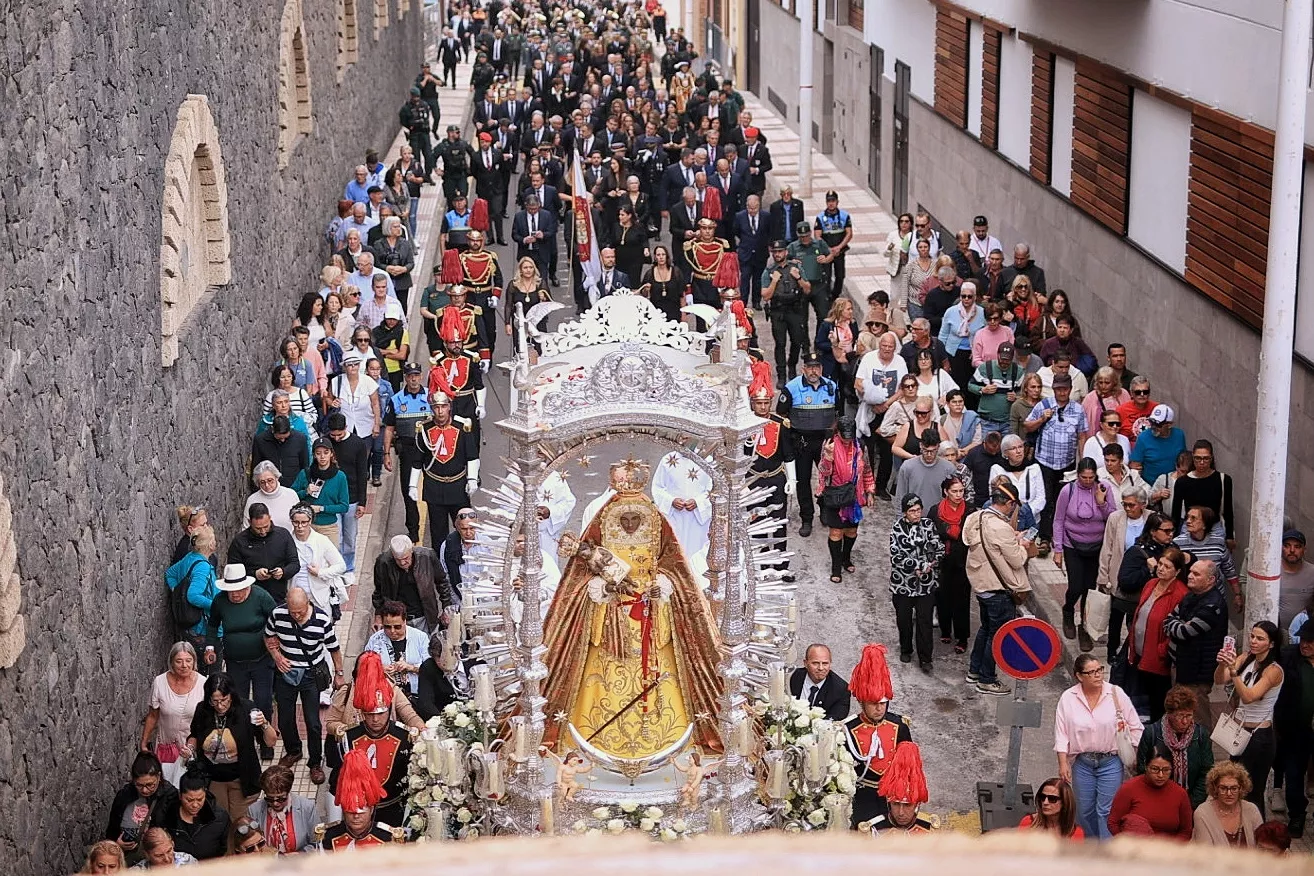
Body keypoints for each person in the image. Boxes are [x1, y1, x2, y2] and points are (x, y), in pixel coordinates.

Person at [539, 459, 724, 756]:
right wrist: (603, 585)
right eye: (624, 519)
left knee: (658, 675)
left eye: (633, 518)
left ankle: (664, 738)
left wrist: (662, 583)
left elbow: (674, 565)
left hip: (651, 612)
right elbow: (580, 574)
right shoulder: (601, 518)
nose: (628, 523)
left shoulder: (656, 519)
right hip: (611, 615)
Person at [1055, 653, 1144, 839]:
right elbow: (1061, 732)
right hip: (1083, 763)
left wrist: (1134, 753)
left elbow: (1136, 727)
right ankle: (1091, 846)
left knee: (1106, 811)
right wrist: (1063, 763)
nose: (1098, 675)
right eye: (1091, 672)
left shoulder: (1115, 693)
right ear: (1079, 676)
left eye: (1100, 670)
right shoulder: (1068, 698)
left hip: (1110, 762)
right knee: (1084, 811)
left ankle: (1105, 855)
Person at [265, 586, 345, 786]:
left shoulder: (322, 620)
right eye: (292, 612)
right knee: (284, 718)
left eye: (300, 611)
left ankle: (315, 762)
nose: (296, 615)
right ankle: (294, 750)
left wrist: (339, 673)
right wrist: (277, 657)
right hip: (286, 672)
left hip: (311, 673)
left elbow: (334, 649)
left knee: (313, 721)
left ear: (308, 603)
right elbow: (269, 636)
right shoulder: (277, 614)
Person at [964, 481, 1036, 696]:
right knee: (997, 635)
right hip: (998, 590)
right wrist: (1022, 546)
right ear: (1010, 503)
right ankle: (987, 679)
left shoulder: (976, 518)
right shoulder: (1001, 527)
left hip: (981, 585)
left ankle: (974, 671)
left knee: (985, 629)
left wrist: (1010, 540)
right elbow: (1016, 561)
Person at [331, 652, 415, 828]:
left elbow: (410, 715)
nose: (375, 720)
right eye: (370, 714)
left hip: (393, 807)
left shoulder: (404, 735)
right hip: (359, 814)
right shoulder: (349, 736)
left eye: (381, 713)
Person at [184, 671, 275, 830]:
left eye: (224, 700)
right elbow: (194, 735)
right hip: (212, 779)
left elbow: (270, 741)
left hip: (242, 779)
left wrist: (265, 724)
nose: (220, 706)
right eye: (215, 701)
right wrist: (190, 748)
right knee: (219, 823)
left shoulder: (247, 708)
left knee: (242, 825)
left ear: (231, 695)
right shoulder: (203, 710)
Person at [1215, 620, 1284, 816]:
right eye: (1252, 636)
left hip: (1259, 735)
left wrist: (1234, 671)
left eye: (1260, 638)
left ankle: (1256, 836)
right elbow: (1219, 680)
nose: (1254, 641)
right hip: (1239, 732)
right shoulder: (1246, 658)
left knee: (1252, 791)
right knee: (1234, 785)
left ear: (1271, 644)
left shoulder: (1274, 670)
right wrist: (1222, 665)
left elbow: (1249, 696)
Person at [843, 644, 913, 827]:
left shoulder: (899, 725)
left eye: (883, 703)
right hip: (863, 796)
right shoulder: (847, 729)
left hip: (892, 798)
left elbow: (907, 767)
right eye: (873, 703)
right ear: (861, 701)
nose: (879, 708)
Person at [1053, 458, 1117, 648]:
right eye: (1084, 477)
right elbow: (1058, 520)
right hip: (1072, 545)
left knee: (1090, 589)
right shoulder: (1068, 490)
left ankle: (1084, 627)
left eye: (1091, 477)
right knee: (1076, 586)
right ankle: (1067, 611)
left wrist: (1101, 502)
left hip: (1097, 546)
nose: (1088, 481)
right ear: (1078, 475)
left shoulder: (1104, 488)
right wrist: (1057, 549)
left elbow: (1113, 517)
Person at [1025, 373, 1088, 553]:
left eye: (1065, 389)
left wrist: (1082, 462)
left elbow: (1082, 435)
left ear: (1070, 390)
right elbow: (1027, 425)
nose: (1062, 392)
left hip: (1066, 463)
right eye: (1058, 389)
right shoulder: (1044, 405)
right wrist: (1042, 418)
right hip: (1044, 461)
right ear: (1053, 389)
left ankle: (1062, 537)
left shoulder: (1078, 409)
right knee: (1046, 500)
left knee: (1064, 500)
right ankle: (1044, 537)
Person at [1164, 559, 1229, 729]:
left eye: (1196, 574)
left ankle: (1202, 749)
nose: (1190, 576)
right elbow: (1168, 620)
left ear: (1211, 580)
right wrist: (1180, 624)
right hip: (1182, 665)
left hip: (1197, 672)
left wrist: (1180, 626)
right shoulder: (1191, 596)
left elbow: (1183, 632)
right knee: (1182, 712)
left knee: (1197, 716)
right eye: (1191, 571)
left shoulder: (1212, 605)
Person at [779, 352, 838, 537]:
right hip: (802, 443)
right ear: (803, 368)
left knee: (827, 479)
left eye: (817, 367)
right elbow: (782, 413)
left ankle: (825, 509)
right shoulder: (791, 388)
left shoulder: (832, 386)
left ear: (822, 369)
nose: (814, 371)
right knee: (803, 481)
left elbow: (839, 412)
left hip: (825, 443)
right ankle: (807, 518)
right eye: (810, 367)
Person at [410, 390, 479, 548]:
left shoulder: (462, 427)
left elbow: (472, 456)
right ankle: (441, 566)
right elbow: (417, 460)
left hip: (458, 486)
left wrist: (472, 479)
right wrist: (412, 485)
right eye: (436, 407)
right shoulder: (424, 429)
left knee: (466, 528)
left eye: (443, 407)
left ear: (449, 407)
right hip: (435, 487)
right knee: (438, 533)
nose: (440, 411)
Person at [1126, 547, 1189, 721]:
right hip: (1140, 651)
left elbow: (1176, 628)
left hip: (1158, 658)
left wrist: (1162, 650)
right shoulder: (1150, 584)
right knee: (1145, 691)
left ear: (1176, 571)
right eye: (1160, 564)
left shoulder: (1180, 594)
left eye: (1167, 567)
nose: (1161, 568)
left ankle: (1160, 736)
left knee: (1158, 699)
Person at [818, 415, 876, 584]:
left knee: (851, 531)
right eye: (845, 437)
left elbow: (866, 470)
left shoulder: (860, 446)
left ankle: (846, 558)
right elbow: (823, 472)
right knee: (836, 532)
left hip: (853, 495)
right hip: (835, 493)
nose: (847, 440)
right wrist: (828, 458)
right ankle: (836, 567)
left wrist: (870, 491)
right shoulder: (830, 445)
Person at [1137, 685, 1214, 809]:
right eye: (1180, 716)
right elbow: (1142, 770)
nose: (1185, 721)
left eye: (1188, 716)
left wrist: (1190, 803)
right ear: (1169, 714)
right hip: (1157, 801)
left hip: (1191, 803)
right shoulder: (1152, 733)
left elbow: (1206, 772)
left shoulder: (1200, 735)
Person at [889, 494, 942, 668]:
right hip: (903, 584)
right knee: (903, 619)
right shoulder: (897, 528)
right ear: (905, 512)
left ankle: (925, 658)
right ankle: (906, 649)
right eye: (912, 511)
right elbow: (896, 557)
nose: (916, 514)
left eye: (918, 510)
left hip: (926, 585)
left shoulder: (928, 525)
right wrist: (917, 566)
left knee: (924, 621)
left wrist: (931, 564)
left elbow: (938, 547)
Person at [140, 643, 205, 785]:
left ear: (194, 661)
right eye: (179, 661)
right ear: (171, 662)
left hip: (191, 749)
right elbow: (153, 715)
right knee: (166, 788)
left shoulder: (203, 684)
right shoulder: (160, 682)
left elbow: (206, 721)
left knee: (189, 789)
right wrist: (144, 742)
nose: (184, 665)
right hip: (165, 747)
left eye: (188, 660)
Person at [1275, 619, 1314, 836]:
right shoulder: (1289, 657)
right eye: (1303, 639)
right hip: (1295, 730)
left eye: (1310, 641)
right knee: (1294, 776)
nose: (1304, 644)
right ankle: (1297, 815)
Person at [1107, 742, 1193, 840]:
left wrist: (1171, 849)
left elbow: (1186, 831)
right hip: (1135, 849)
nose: (1160, 775)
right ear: (1146, 767)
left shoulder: (1180, 794)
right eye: (1155, 769)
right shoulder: (1129, 789)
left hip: (1169, 850)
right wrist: (1128, 844)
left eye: (1166, 770)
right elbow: (1113, 823)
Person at [104, 753, 178, 865]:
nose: (145, 790)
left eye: (150, 785)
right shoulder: (124, 795)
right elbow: (112, 828)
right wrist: (116, 843)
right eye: (139, 785)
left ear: (158, 777)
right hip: (126, 857)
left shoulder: (169, 796)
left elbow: (175, 829)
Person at [317, 749, 397, 851]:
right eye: (350, 812)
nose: (356, 816)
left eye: (361, 812)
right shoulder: (328, 837)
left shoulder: (388, 838)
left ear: (371, 809)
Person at [372, 535, 453, 635]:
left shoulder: (427, 557)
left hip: (425, 617)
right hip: (398, 620)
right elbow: (379, 592)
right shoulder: (383, 562)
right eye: (398, 559)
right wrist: (379, 616)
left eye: (405, 558)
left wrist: (447, 609)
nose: (402, 563)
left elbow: (442, 583)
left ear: (411, 551)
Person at [929, 476, 974, 654]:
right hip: (942, 561)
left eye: (961, 491)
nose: (958, 495)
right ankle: (945, 630)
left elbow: (970, 535)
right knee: (942, 596)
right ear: (946, 492)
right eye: (954, 491)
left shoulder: (970, 511)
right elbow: (932, 534)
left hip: (963, 562)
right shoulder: (935, 511)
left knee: (962, 600)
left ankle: (962, 637)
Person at [651, 448, 714, 569]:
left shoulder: (707, 461)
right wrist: (671, 501)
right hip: (674, 516)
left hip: (697, 519)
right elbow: (657, 487)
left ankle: (697, 580)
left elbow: (714, 489)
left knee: (696, 554)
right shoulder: (667, 460)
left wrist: (698, 502)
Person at [164, 526, 218, 667]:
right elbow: (193, 595)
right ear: (211, 545)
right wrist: (216, 605)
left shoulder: (189, 558)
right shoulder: (203, 566)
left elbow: (170, 573)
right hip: (202, 626)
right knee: (208, 670)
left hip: (189, 624)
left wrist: (176, 590)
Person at [1174, 506, 1242, 614]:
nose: (1188, 521)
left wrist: (1237, 594)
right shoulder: (1178, 543)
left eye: (1193, 518)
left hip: (1215, 601)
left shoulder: (1218, 542)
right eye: (1187, 517)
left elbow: (1229, 569)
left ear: (1205, 524)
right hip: (1188, 600)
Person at [761, 240, 811, 386]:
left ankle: (792, 367)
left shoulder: (795, 267)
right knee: (780, 343)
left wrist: (798, 278)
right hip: (778, 311)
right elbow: (765, 295)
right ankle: (781, 374)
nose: (777, 254)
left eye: (780, 251)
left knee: (797, 341)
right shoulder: (769, 271)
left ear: (786, 252)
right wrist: (774, 281)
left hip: (795, 309)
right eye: (775, 252)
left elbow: (807, 289)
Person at [1170, 440, 1235, 549]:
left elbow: (1228, 511)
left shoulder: (1223, 480)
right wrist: (1174, 536)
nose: (1202, 462)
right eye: (1198, 458)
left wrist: (1230, 536)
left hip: (1215, 528)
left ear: (1211, 458)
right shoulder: (1182, 482)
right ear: (1193, 458)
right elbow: (1175, 513)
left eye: (1206, 458)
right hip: (1190, 528)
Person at [365, 600, 430, 702]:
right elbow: (364, 668)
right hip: (386, 696)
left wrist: (410, 667)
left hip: (417, 695)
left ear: (404, 622)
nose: (392, 631)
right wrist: (380, 669)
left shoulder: (420, 637)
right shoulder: (375, 640)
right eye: (387, 627)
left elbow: (430, 670)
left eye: (397, 627)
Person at [291, 439, 351, 548]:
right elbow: (291, 496)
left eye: (326, 453)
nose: (322, 457)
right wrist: (305, 492)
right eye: (318, 453)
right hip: (307, 525)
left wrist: (321, 508)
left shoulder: (340, 476)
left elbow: (344, 506)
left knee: (331, 561)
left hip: (329, 527)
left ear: (331, 454)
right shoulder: (305, 474)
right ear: (314, 455)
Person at [245, 765, 317, 854]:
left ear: (288, 792)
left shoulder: (307, 807)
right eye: (270, 799)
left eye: (281, 799)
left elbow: (317, 843)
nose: (275, 803)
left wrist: (300, 855)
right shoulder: (254, 810)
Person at [163, 765, 229, 861]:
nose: (195, 805)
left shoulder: (220, 817)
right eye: (189, 800)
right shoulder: (168, 816)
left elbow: (226, 848)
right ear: (180, 796)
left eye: (200, 799)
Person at [867, 742, 936, 834]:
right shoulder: (874, 829)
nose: (901, 813)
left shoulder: (929, 828)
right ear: (888, 803)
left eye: (907, 805)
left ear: (917, 804)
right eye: (895, 804)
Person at [1191, 761, 1262, 846]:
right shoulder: (1203, 813)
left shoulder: (1251, 810)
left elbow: (1262, 846)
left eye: (1234, 788)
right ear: (1215, 788)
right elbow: (1206, 854)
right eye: (1223, 788)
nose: (1229, 793)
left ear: (1241, 788)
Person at [988, 434, 1045, 534]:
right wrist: (1013, 515)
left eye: (1020, 447)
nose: (1018, 451)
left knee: (1028, 547)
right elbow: (994, 498)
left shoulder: (1034, 468)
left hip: (1031, 520)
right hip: (1005, 522)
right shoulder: (997, 469)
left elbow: (1041, 498)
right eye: (1013, 448)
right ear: (1005, 453)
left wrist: (1024, 513)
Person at [894, 428, 955, 512]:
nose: (929, 455)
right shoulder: (908, 467)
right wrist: (900, 519)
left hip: (939, 518)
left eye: (933, 451)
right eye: (926, 451)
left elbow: (953, 498)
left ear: (938, 447)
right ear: (920, 445)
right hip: (914, 518)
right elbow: (900, 496)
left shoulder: (949, 468)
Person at [788, 643, 851, 720]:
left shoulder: (841, 690)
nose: (821, 668)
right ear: (805, 663)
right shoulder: (794, 676)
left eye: (825, 663)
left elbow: (836, 719)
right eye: (815, 663)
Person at [1130, 404, 1188, 486]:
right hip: (1150, 486)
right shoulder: (1143, 438)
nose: (1153, 426)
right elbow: (1135, 466)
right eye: (1151, 422)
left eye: (1158, 424)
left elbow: (1184, 460)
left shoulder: (1179, 435)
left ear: (1169, 425)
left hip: (1174, 484)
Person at [1018, 777, 1084, 839]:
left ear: (1065, 802)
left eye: (1052, 799)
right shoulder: (1028, 822)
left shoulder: (1076, 833)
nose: (1045, 802)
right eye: (1042, 797)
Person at [244, 463, 299, 534]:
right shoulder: (252, 500)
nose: (266, 485)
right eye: (262, 482)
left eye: (270, 480)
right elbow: (246, 528)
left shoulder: (291, 494)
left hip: (289, 541)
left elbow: (299, 521)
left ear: (276, 477)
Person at [1279, 529, 1314, 632]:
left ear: (1304, 549)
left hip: (1300, 635)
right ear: (1281, 547)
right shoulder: (1271, 570)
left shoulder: (1312, 572)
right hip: (1273, 633)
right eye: (1287, 545)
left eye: (1297, 546)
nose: (1292, 550)